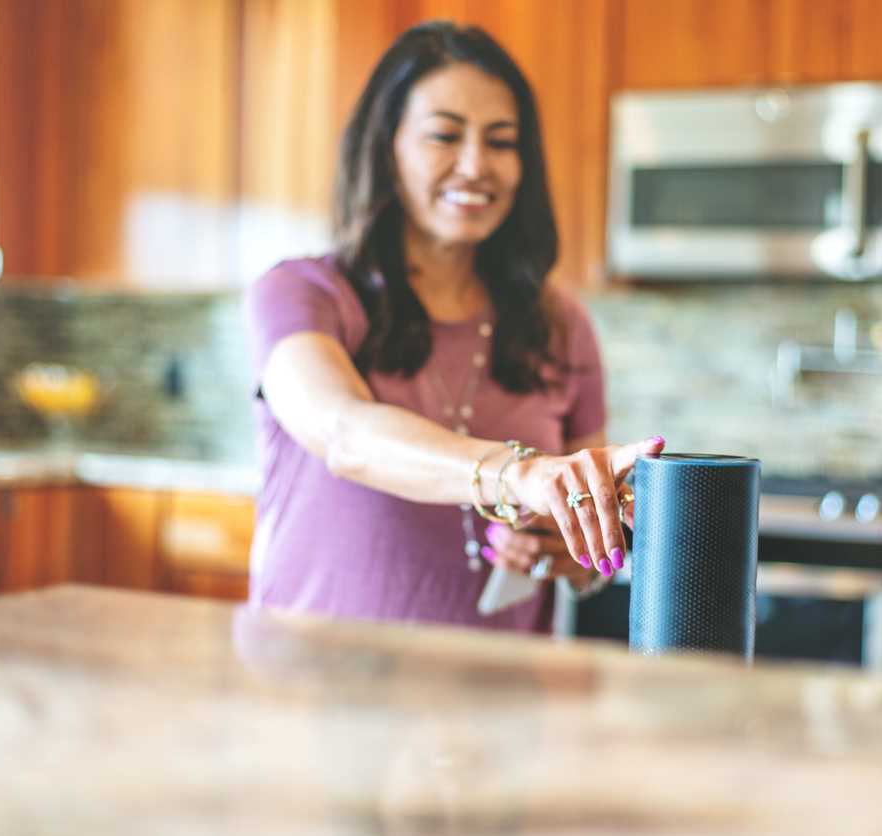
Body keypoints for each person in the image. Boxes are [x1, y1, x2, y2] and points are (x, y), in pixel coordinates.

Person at [243, 20, 663, 633]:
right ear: (387, 148)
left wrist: (565, 547)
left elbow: (590, 550)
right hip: (317, 695)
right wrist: (518, 475)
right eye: (445, 135)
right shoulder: (302, 294)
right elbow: (343, 435)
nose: (475, 165)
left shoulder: (560, 324)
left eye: (501, 141)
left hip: (501, 707)